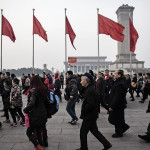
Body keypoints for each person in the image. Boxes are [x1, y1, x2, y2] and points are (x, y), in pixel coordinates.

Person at [76, 73, 112, 150]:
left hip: (89, 115)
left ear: (86, 81)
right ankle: (107, 144)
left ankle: (84, 148)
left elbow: (90, 104)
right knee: (94, 131)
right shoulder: (89, 88)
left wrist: (84, 110)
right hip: (92, 115)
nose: (80, 82)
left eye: (82, 80)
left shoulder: (90, 90)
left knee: (83, 132)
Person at [24, 75, 49, 150]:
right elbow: (47, 101)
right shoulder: (43, 89)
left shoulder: (34, 90)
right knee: (38, 130)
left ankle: (37, 145)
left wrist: (25, 109)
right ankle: (41, 145)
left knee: (28, 132)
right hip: (43, 114)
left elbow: (32, 103)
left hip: (36, 115)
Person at [108, 70, 130, 138]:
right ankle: (124, 127)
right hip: (118, 104)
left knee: (114, 119)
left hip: (118, 105)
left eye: (115, 73)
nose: (114, 74)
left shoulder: (120, 84)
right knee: (118, 118)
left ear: (119, 75)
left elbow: (117, 96)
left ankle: (119, 132)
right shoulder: (118, 82)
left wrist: (112, 106)